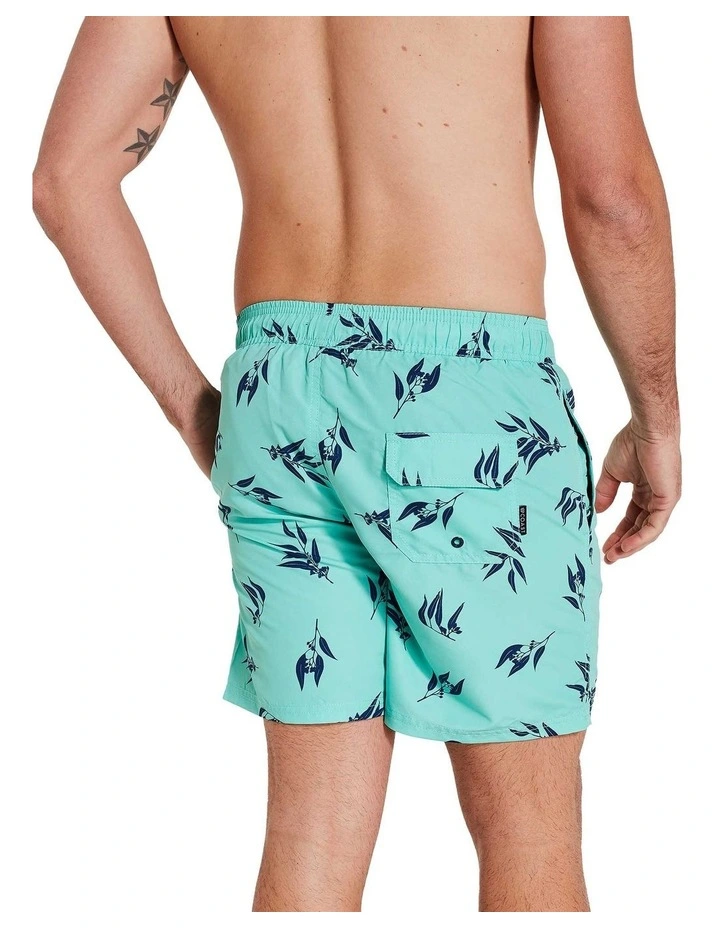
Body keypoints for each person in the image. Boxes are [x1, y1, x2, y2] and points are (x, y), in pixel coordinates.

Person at [33, 15, 681, 913]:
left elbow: (66, 181)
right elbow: (613, 198)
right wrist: (657, 420)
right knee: (527, 832)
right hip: (466, 397)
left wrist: (198, 411)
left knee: (310, 837)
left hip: (277, 392)